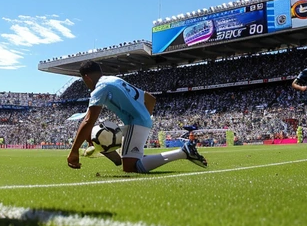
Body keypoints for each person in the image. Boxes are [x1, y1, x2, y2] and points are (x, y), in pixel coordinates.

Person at [67, 61, 208, 173]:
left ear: (87, 77)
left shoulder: (100, 89)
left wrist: (74, 152)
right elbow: (150, 98)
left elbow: (88, 120)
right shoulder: (114, 80)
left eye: (84, 81)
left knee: (131, 167)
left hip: (136, 122)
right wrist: (145, 117)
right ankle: (116, 154)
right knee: (96, 134)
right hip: (138, 121)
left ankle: (182, 152)